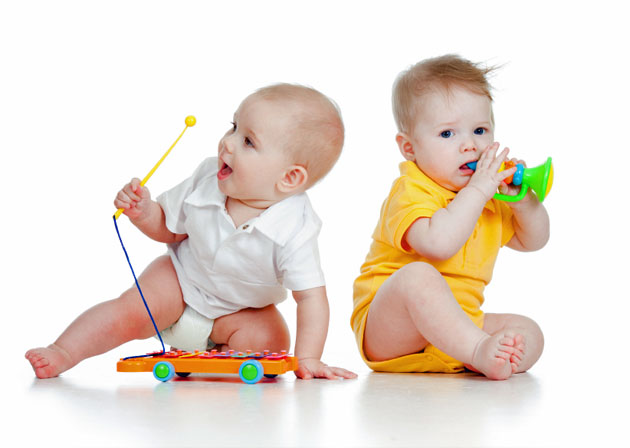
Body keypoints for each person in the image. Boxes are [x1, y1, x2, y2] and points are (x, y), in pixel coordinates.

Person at [26, 83, 357, 381]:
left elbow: (311, 298)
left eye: (247, 141)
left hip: (240, 312)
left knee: (271, 341)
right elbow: (169, 229)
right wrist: (143, 212)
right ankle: (64, 351)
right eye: (233, 126)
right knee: (127, 312)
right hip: (179, 282)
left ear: (289, 179)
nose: (226, 143)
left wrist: (309, 357)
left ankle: (209, 370)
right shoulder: (208, 177)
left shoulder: (295, 228)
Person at [351, 55, 549, 380]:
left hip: (458, 326)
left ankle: (481, 352)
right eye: (447, 134)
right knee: (419, 276)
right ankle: (478, 352)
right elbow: (438, 245)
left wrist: (524, 202)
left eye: (480, 130)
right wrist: (480, 190)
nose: (469, 145)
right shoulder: (411, 190)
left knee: (528, 330)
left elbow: (534, 241)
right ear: (409, 147)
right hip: (393, 330)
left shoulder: (486, 195)